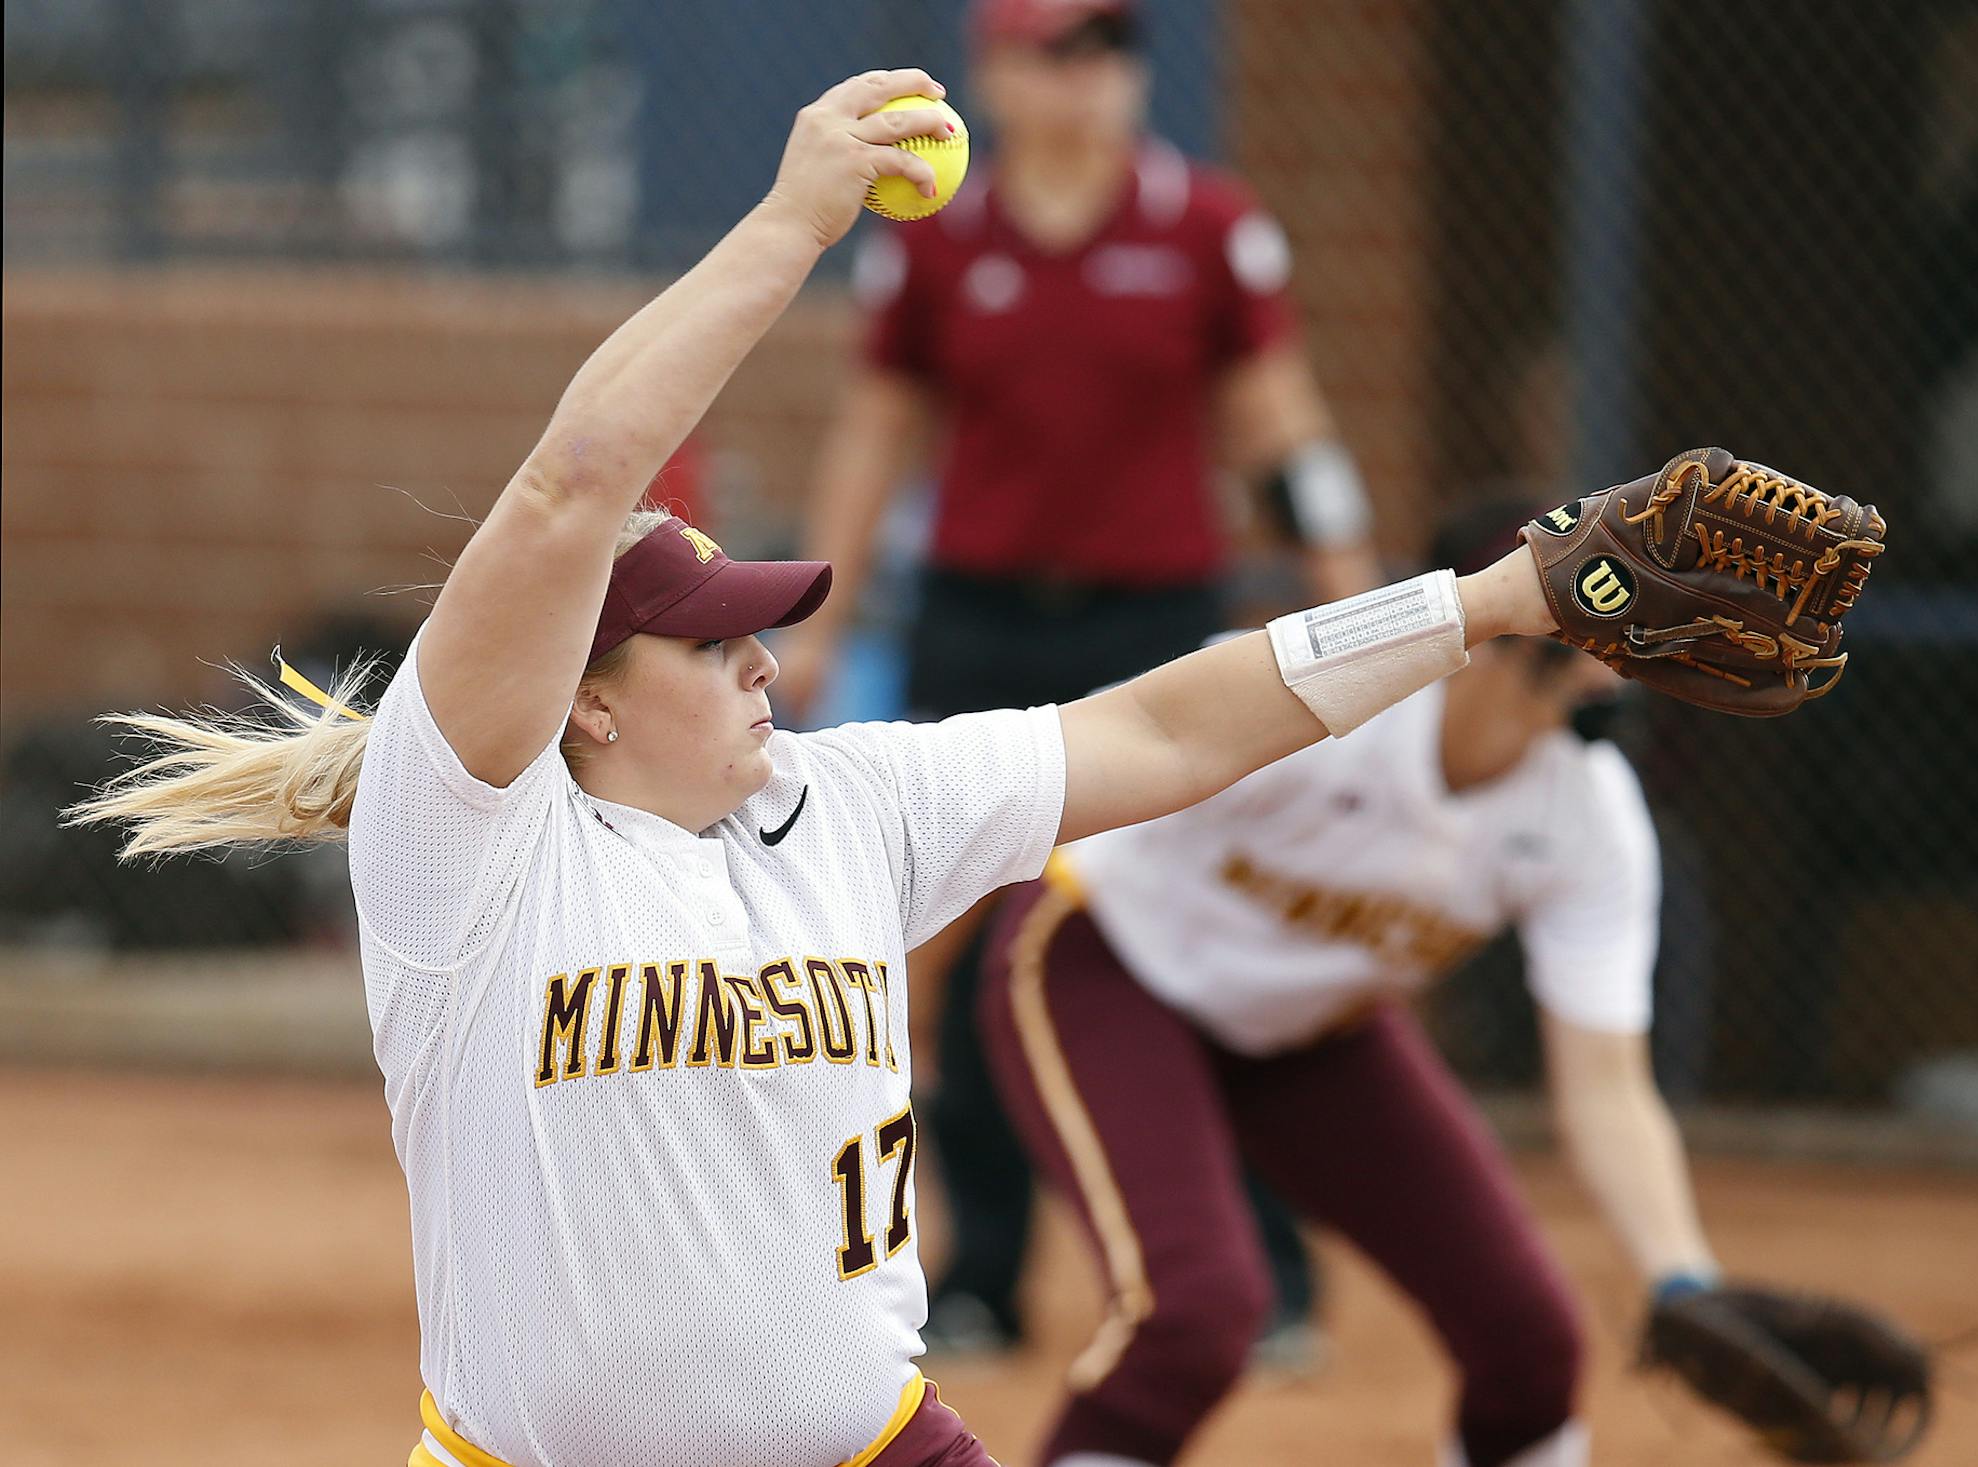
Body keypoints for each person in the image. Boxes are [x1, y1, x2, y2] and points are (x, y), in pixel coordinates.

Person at [71, 69, 1569, 1467]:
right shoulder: (467, 849)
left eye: (759, 636)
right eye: (715, 646)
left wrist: (1491, 605)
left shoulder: (850, 806)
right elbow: (570, 488)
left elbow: (1173, 727)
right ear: (585, 702)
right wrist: (796, 222)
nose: (764, 664)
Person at [789, 0, 1378, 1357]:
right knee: (987, 939)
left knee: (1191, 933)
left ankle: (1263, 1270)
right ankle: (989, 1269)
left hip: (1159, 631)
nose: (1097, 77)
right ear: (995, 76)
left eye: (1115, 49)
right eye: (1061, 51)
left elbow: (1281, 421)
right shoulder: (938, 238)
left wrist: (1346, 579)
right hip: (984, 623)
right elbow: (877, 433)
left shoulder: (1207, 225)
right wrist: (821, 605)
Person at [977, 504, 1724, 1467]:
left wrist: (1682, 1280)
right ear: (1498, 634)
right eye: (1596, 622)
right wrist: (908, 982)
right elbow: (1052, 782)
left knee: (1529, 1343)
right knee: (1196, 1313)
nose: (1622, 659)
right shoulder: (1331, 707)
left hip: (1311, 1031)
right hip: (1110, 966)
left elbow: (1606, 1082)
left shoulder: (1590, 814)